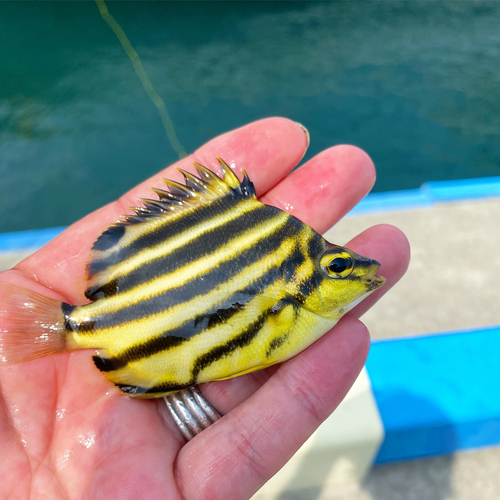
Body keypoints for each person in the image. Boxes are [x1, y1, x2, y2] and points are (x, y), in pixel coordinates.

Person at [0, 118, 409, 499]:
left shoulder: (293, 279)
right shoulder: (293, 289)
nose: (361, 274)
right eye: (336, 268)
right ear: (298, 282)